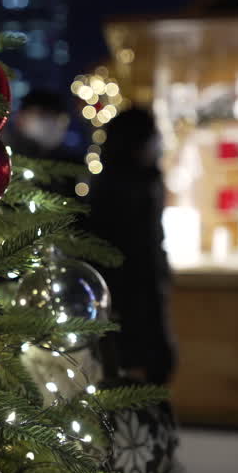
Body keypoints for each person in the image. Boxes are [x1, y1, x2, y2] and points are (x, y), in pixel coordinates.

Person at [85, 108, 176, 386]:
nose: (158, 143)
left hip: (142, 296)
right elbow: (135, 250)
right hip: (128, 299)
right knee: (133, 377)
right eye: (152, 137)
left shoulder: (145, 181)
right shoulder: (122, 187)